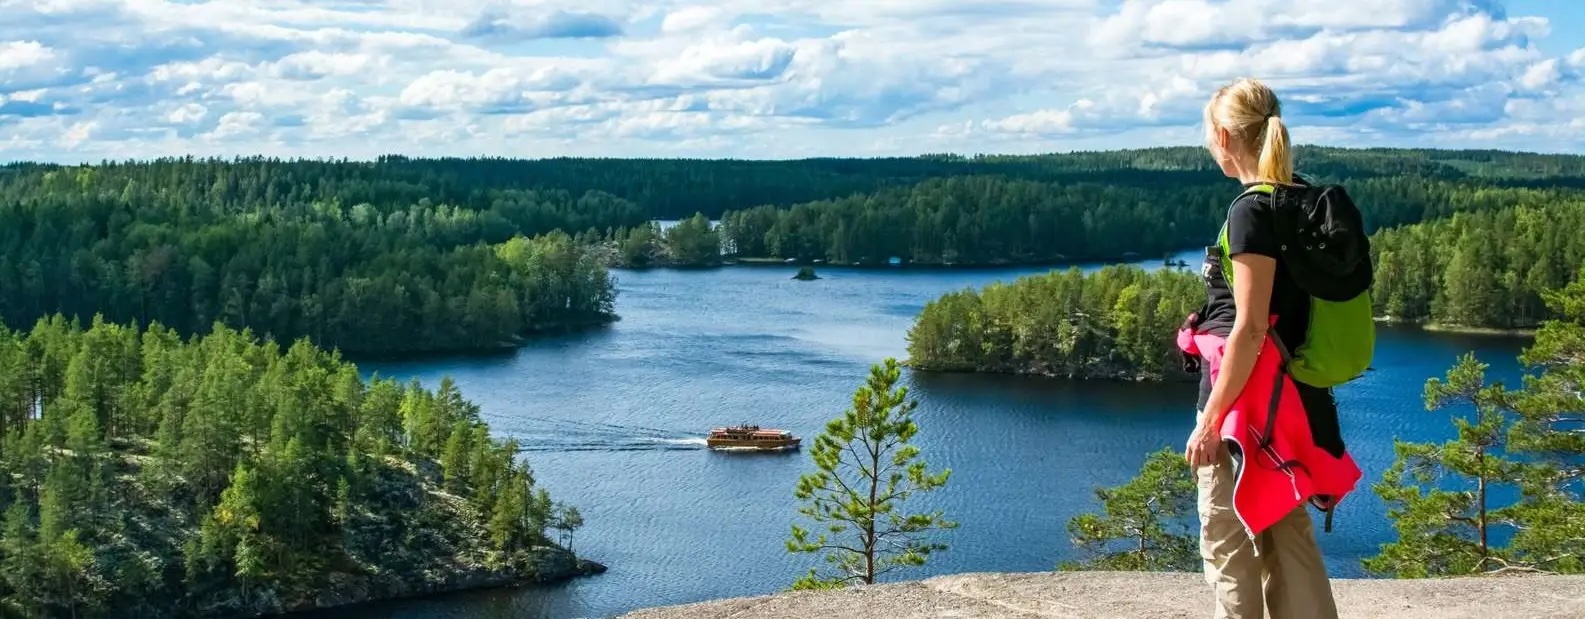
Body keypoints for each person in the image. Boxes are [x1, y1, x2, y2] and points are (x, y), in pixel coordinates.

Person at [1184, 77, 1348, 619]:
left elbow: (1251, 328)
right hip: (1291, 405)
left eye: (1210, 135)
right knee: (1288, 535)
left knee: (1228, 543)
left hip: (1244, 411)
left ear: (1225, 137)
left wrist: (1209, 421)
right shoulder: (1303, 199)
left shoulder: (1251, 212)